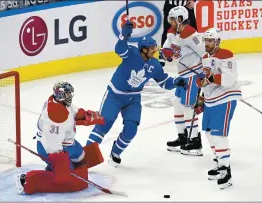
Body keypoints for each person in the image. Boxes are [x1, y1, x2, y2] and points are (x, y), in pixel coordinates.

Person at [86, 21, 187, 167]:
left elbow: (164, 82)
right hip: (114, 95)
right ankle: (86, 158)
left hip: (133, 99)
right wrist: (124, 35)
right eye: (152, 48)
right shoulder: (132, 54)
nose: (155, 51)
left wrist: (177, 81)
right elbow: (119, 49)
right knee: (104, 124)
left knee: (131, 129)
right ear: (144, 49)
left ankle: (115, 153)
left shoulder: (155, 64)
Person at [15, 81, 105, 194]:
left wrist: (84, 115)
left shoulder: (58, 102)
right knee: (67, 178)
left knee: (81, 156)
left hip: (67, 142)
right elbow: (51, 143)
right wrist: (59, 161)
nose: (70, 96)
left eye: (70, 93)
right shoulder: (55, 116)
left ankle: (59, 168)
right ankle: (27, 180)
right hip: (50, 149)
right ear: (60, 95)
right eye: (67, 94)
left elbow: (72, 110)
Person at [195, 28, 242, 189]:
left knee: (219, 134)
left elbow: (229, 78)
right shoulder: (204, 58)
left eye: (210, 40)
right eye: (206, 40)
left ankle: (226, 169)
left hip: (226, 97)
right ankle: (219, 160)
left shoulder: (226, 54)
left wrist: (210, 78)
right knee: (208, 131)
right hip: (211, 99)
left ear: (218, 41)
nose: (207, 43)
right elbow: (205, 80)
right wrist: (201, 95)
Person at [160, 6, 205, 156]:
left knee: (188, 105)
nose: (170, 22)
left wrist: (205, 74)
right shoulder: (173, 33)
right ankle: (182, 136)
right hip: (183, 74)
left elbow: (205, 54)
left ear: (180, 19)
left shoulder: (192, 35)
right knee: (177, 102)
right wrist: (166, 54)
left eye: (172, 19)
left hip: (194, 74)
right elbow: (167, 51)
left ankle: (195, 141)